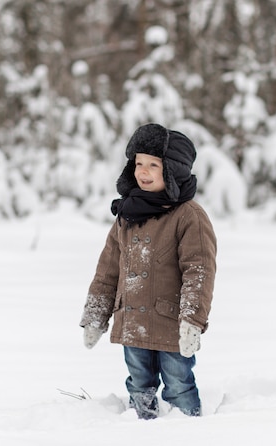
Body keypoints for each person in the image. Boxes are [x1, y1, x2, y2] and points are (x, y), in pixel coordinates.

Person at [80, 122, 217, 420]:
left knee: (179, 384)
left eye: (153, 165)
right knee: (139, 384)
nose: (142, 171)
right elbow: (108, 271)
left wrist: (192, 320)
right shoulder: (127, 213)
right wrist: (96, 314)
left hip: (171, 325)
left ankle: (188, 431)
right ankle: (142, 429)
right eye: (138, 163)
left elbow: (199, 271)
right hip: (133, 322)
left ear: (173, 169)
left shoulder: (189, 216)